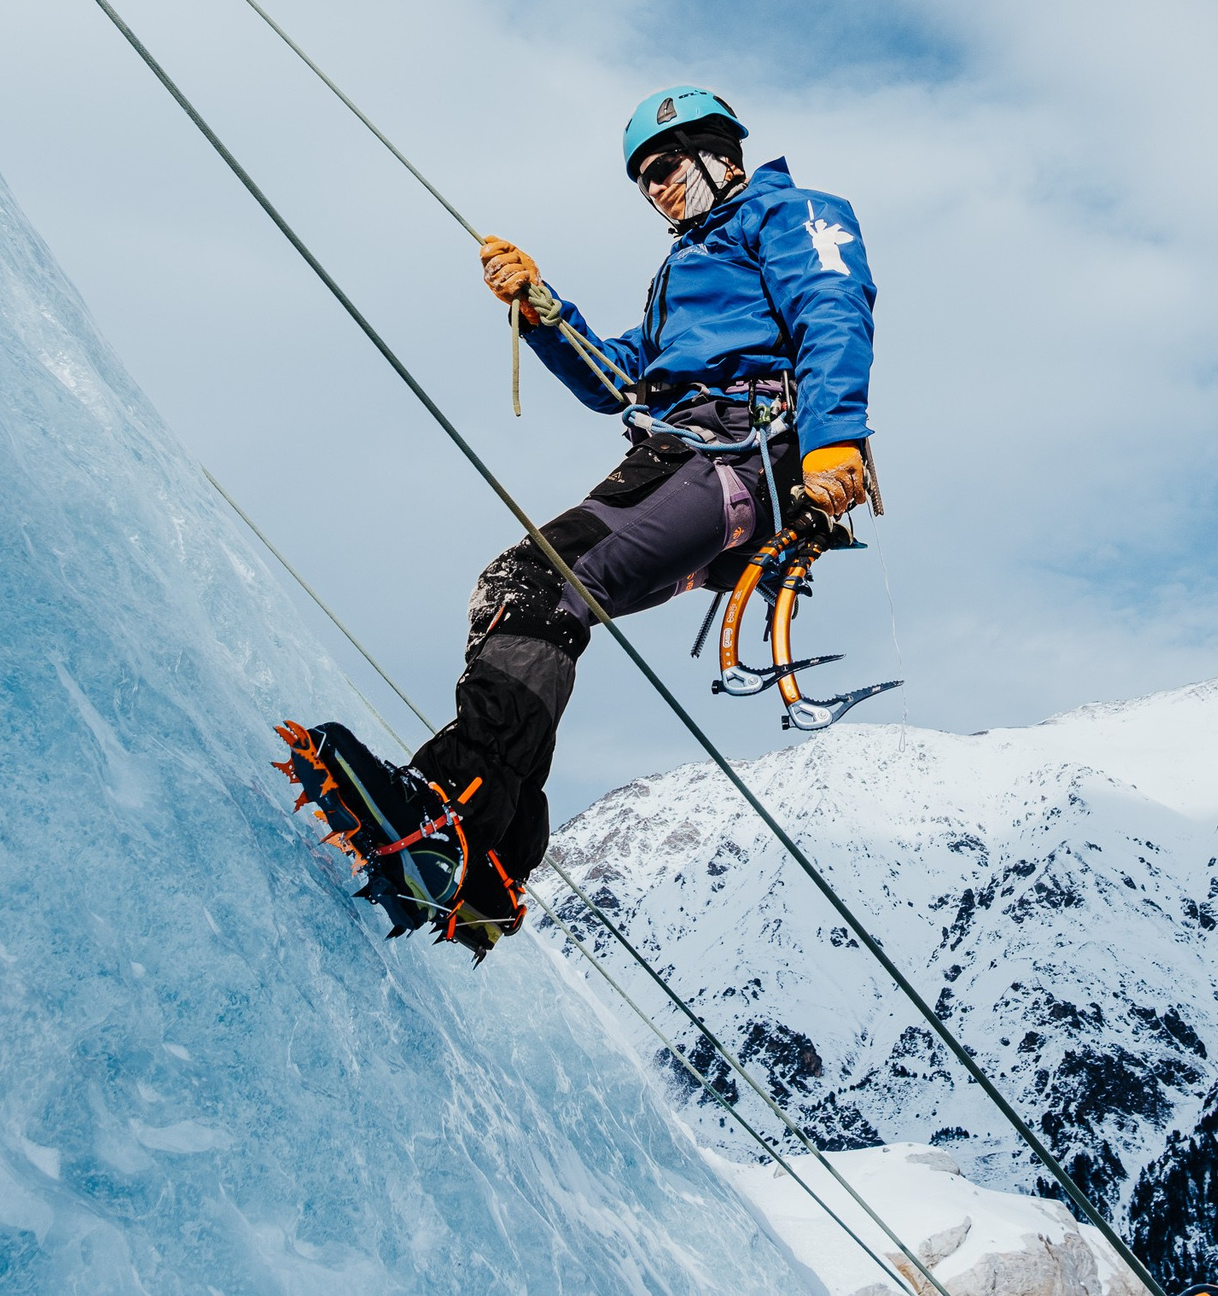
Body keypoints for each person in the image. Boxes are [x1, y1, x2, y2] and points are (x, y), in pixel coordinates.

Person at [329, 86, 878, 956]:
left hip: (736, 450)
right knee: (526, 593)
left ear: (717, 151)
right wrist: (541, 308)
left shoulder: (792, 214)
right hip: (674, 457)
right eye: (644, 181)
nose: (656, 188)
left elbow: (832, 311)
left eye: (665, 168)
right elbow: (615, 379)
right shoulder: (683, 271)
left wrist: (833, 442)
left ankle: (451, 814)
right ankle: (488, 861)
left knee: (540, 583)